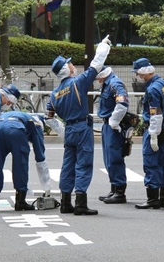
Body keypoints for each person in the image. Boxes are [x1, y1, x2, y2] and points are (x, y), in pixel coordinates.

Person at [45, 35, 111, 216]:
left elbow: (48, 117)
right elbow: (96, 66)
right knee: (84, 163)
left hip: (69, 130)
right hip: (82, 128)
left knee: (68, 165)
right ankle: (81, 203)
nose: (73, 65)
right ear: (67, 69)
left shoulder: (54, 94)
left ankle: (66, 201)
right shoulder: (77, 83)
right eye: (70, 63)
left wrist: (63, 131)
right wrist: (104, 46)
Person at [0, 112, 52, 212]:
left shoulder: (16, 115)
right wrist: (46, 185)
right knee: (20, 165)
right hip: (16, 131)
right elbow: (39, 154)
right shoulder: (37, 124)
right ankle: (20, 202)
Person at [132, 58, 164, 209]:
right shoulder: (162, 83)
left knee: (151, 162)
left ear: (143, 72)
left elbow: (155, 114)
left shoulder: (152, 89)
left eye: (137, 72)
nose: (137, 76)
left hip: (155, 127)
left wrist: (153, 134)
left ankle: (152, 199)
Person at [96, 66, 129, 204]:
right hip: (107, 124)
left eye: (97, 77)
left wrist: (114, 121)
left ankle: (120, 192)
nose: (97, 80)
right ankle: (114, 188)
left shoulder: (115, 83)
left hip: (113, 126)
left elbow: (122, 103)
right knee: (108, 158)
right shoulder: (107, 83)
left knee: (115, 157)